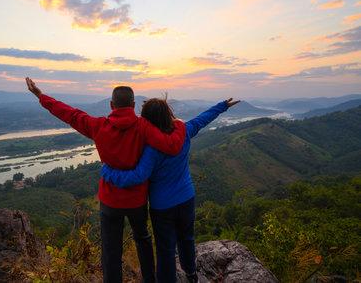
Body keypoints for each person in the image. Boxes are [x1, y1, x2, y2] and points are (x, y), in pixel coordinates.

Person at [25, 77, 187, 283]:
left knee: (111, 250)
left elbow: (69, 114)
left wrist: (41, 96)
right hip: (137, 200)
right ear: (134, 105)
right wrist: (180, 126)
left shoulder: (98, 126)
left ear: (111, 105)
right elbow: (172, 146)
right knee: (143, 239)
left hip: (110, 201)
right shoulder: (143, 126)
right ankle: (149, 279)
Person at [101, 97, 240, 283]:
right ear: (168, 113)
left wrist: (107, 171)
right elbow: (202, 119)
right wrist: (222, 106)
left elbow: (137, 176)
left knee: (165, 248)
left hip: (162, 206)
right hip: (186, 197)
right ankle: (191, 275)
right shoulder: (183, 131)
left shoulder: (150, 148)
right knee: (187, 238)